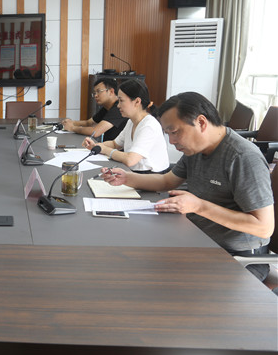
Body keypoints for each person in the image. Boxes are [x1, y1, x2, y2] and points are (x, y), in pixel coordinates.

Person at [101, 92, 274, 281]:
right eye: (168, 134)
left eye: (175, 132)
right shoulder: (196, 149)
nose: (172, 141)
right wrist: (127, 178)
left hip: (236, 258)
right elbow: (166, 181)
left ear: (201, 123)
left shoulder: (243, 158)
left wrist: (199, 206)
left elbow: (264, 227)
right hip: (198, 240)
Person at [83, 80, 169, 173]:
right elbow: (115, 144)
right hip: (135, 173)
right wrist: (96, 146)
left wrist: (105, 149)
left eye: (121, 101)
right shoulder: (131, 122)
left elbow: (130, 160)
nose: (118, 105)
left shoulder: (149, 125)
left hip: (151, 176)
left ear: (137, 101)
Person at [61, 79, 127, 140]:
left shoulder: (118, 109)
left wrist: (72, 128)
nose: (95, 95)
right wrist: (72, 122)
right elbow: (89, 123)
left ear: (111, 91)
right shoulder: (107, 108)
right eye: (95, 93)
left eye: (98, 91)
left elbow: (95, 132)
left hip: (117, 148)